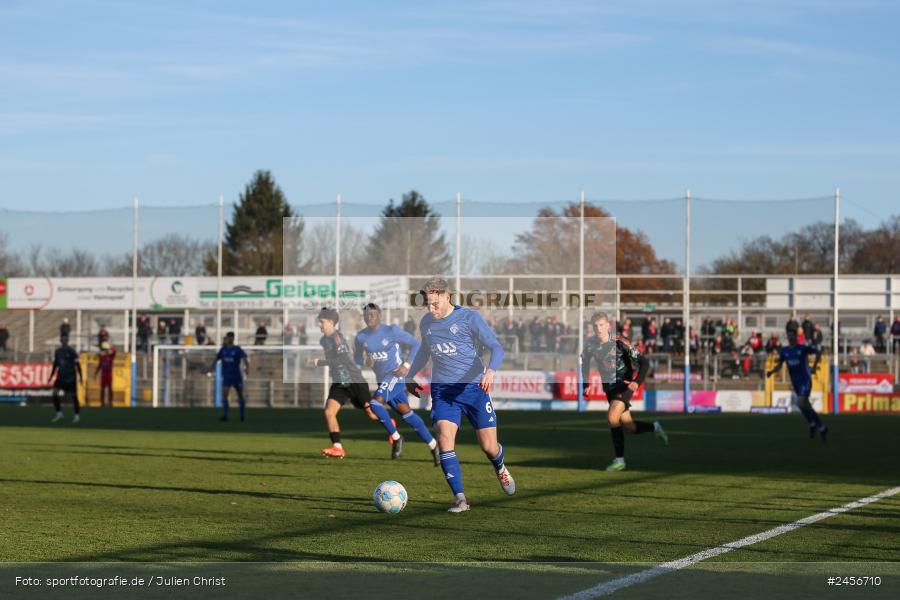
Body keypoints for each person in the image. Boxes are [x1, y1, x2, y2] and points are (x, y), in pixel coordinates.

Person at [405, 277, 514, 513]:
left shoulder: (469, 318)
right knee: (444, 439)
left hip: (474, 389)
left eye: (435, 303)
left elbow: (496, 347)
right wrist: (410, 375)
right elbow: (425, 350)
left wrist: (491, 371)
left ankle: (500, 466)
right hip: (443, 392)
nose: (431, 309)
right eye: (427, 304)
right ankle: (460, 499)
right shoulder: (426, 323)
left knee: (489, 447)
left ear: (447, 297)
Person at [354, 303, 440, 464]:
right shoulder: (361, 337)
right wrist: (365, 362)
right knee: (407, 415)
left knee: (375, 404)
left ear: (379, 315)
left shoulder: (391, 331)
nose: (369, 317)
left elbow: (416, 344)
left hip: (395, 375)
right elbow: (357, 358)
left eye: (372, 314)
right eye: (366, 315)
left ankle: (396, 437)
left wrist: (406, 365)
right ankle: (434, 445)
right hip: (384, 381)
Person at [582, 312, 667, 472]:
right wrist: (586, 383)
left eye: (601, 325)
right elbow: (584, 362)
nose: (599, 328)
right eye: (595, 326)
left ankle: (619, 460)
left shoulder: (621, 342)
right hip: (609, 389)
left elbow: (644, 363)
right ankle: (655, 427)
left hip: (624, 386)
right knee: (629, 427)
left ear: (608, 326)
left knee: (612, 417)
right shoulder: (590, 344)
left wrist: (636, 382)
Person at [316, 307, 378, 458]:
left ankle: (392, 428)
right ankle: (337, 447)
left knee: (371, 414)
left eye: (322, 322)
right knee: (329, 412)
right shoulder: (324, 340)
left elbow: (343, 358)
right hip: (339, 384)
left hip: (354, 381)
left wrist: (321, 362)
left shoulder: (337, 337)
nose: (319, 325)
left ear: (331, 323)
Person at [767, 330, 827, 441]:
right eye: (789, 336)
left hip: (805, 380)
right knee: (803, 405)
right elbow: (779, 365)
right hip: (795, 382)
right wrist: (771, 372)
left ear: (796, 337)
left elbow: (818, 352)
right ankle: (819, 426)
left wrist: (814, 367)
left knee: (801, 402)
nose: (791, 337)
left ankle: (816, 425)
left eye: (792, 336)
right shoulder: (784, 351)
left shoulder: (802, 348)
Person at [210, 331, 249, 422]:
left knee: (240, 395)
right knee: (225, 395)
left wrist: (247, 368)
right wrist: (211, 368)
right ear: (227, 338)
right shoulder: (223, 350)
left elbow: (245, 359)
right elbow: (216, 359)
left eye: (232, 337)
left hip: (236, 376)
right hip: (227, 376)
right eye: (229, 337)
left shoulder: (237, 349)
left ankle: (242, 415)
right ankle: (225, 415)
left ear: (233, 338)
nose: (230, 339)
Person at [49, 335, 83, 423]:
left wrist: (81, 377)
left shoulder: (72, 351)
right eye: (62, 339)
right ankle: (59, 413)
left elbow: (77, 365)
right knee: (54, 392)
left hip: (70, 377)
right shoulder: (58, 351)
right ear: (60, 340)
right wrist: (51, 376)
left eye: (65, 339)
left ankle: (77, 415)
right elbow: (55, 365)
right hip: (60, 377)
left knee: (74, 396)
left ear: (67, 340)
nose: (64, 340)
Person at [94, 341, 116, 407]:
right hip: (103, 375)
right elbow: (100, 365)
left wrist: (109, 348)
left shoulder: (110, 356)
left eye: (106, 349)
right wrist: (96, 373)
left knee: (110, 388)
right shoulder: (102, 357)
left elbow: (114, 350)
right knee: (102, 389)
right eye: (104, 349)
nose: (105, 351)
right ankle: (102, 403)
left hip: (109, 374)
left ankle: (110, 402)